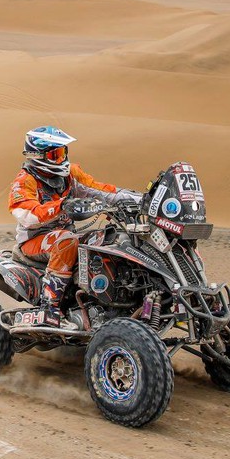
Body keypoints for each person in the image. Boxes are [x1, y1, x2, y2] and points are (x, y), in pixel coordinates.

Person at [8, 126, 142, 327]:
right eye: (55, 153)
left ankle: (106, 298)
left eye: (63, 152)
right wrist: (61, 206)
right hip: (35, 241)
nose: (61, 158)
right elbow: (28, 215)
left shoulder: (70, 174)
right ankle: (49, 306)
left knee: (107, 238)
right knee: (66, 240)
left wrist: (143, 199)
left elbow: (100, 190)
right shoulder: (24, 181)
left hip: (66, 235)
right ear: (38, 155)